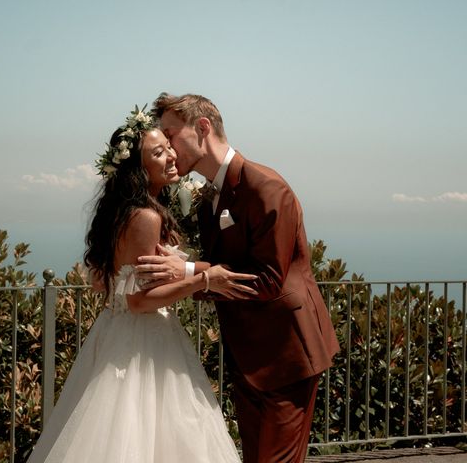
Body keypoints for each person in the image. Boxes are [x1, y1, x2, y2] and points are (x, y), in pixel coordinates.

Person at [25, 106, 257, 463]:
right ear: (138, 167)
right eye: (158, 152)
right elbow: (139, 301)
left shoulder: (132, 212)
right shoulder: (145, 217)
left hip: (122, 335)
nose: (171, 156)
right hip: (142, 342)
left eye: (168, 146)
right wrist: (203, 279)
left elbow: (117, 286)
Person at [135, 93, 340, 463]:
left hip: (287, 355)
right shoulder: (208, 197)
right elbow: (220, 267)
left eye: (170, 133)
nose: (166, 145)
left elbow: (266, 280)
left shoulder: (265, 187)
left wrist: (187, 271)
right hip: (249, 359)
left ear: (202, 128)